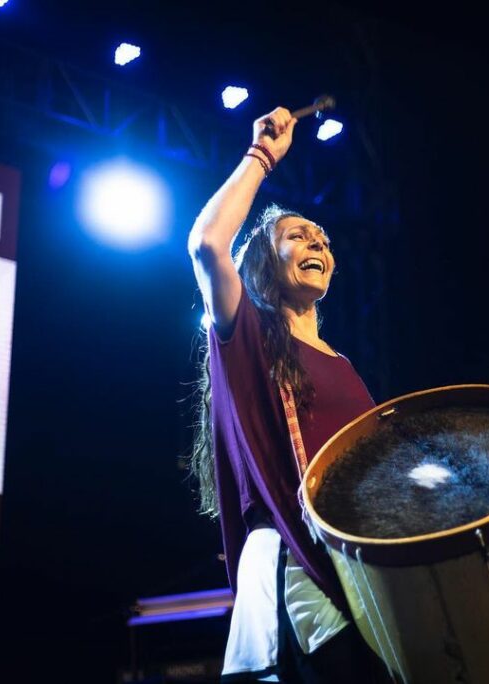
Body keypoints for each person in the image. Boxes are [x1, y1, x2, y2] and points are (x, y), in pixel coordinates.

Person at [187, 107, 378, 683]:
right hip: (296, 570)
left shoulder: (344, 368)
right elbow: (206, 245)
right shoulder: (248, 335)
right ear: (267, 262)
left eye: (320, 237)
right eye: (296, 235)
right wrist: (262, 156)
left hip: (359, 573)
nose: (315, 240)